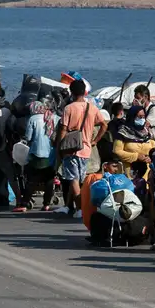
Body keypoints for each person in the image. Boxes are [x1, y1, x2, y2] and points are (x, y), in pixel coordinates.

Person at [57, 80, 107, 217]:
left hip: (71, 148)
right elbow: (104, 125)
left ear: (72, 92)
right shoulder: (92, 108)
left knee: (73, 179)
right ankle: (68, 206)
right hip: (86, 148)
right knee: (78, 179)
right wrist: (95, 141)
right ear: (84, 92)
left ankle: (80, 208)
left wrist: (60, 146)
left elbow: (63, 129)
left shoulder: (69, 108)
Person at [16, 100, 59, 212]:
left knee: (31, 180)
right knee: (49, 179)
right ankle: (46, 204)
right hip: (51, 154)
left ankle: (24, 204)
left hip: (36, 153)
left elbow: (28, 137)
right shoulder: (55, 118)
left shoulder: (33, 119)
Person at [112, 106, 155, 178]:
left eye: (143, 117)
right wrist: (136, 156)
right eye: (140, 117)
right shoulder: (123, 133)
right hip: (129, 173)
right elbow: (117, 151)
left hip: (147, 173)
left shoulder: (147, 133)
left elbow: (154, 149)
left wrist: (150, 158)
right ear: (132, 117)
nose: (142, 119)